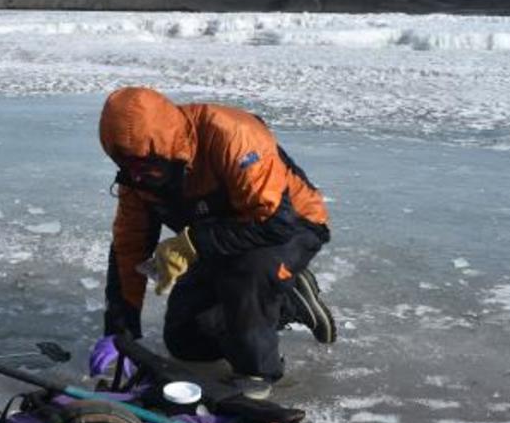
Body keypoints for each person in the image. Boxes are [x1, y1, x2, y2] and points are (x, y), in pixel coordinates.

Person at [95, 86, 334, 394]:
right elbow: (129, 246)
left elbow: (275, 222)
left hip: (292, 225)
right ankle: (290, 301)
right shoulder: (136, 175)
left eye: (143, 166)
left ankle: (257, 375)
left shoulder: (233, 136)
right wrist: (120, 333)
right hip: (221, 235)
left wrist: (194, 243)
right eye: (127, 167)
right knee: (186, 340)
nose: (136, 177)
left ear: (166, 148)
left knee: (249, 272)